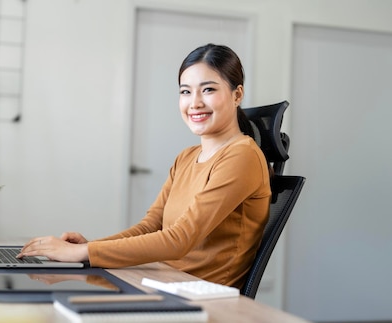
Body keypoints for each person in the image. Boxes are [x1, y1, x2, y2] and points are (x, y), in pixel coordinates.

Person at [18, 43, 271, 288]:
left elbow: (179, 240)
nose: (194, 103)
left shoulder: (242, 156)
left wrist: (84, 252)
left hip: (200, 298)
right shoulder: (186, 157)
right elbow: (150, 226)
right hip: (161, 281)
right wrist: (88, 248)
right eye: (185, 91)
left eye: (208, 90)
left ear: (237, 94)